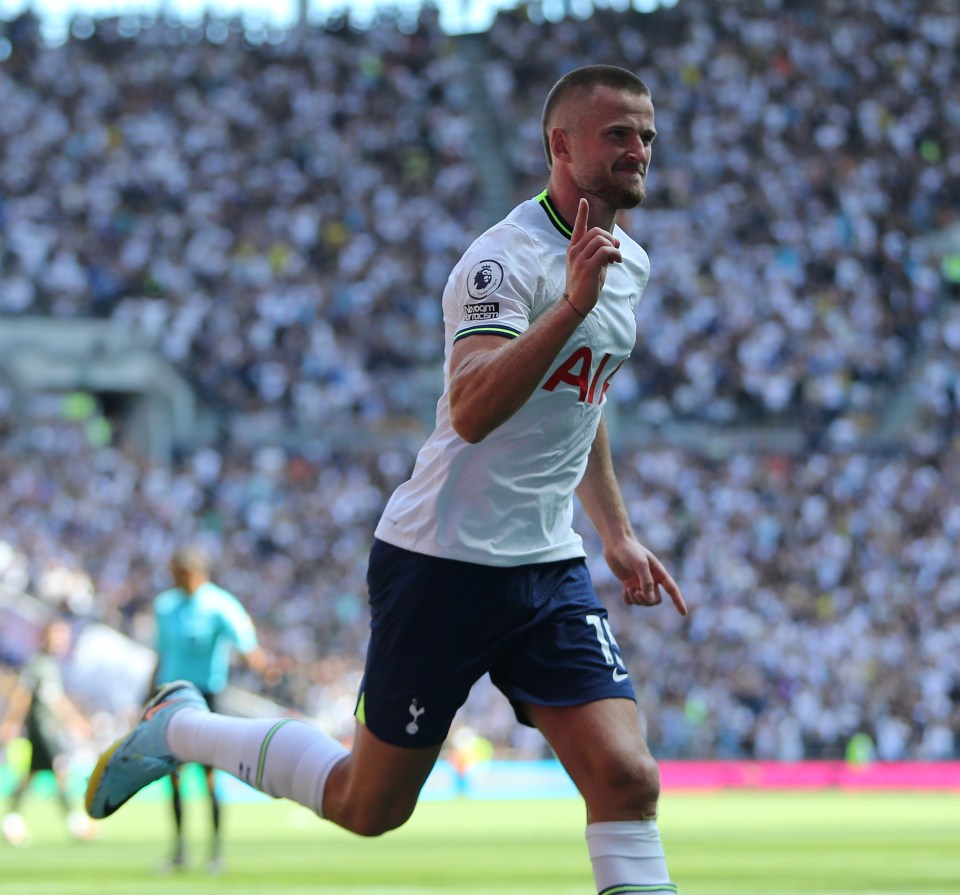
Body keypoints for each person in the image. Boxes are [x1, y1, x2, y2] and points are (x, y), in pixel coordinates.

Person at [86, 64, 687, 894]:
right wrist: (568, 307)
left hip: (547, 568)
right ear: (562, 145)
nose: (639, 150)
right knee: (367, 805)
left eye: (647, 135)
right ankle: (182, 726)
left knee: (628, 778)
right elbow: (474, 406)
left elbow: (582, 398)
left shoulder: (628, 264)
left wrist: (615, 531)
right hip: (442, 561)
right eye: (619, 133)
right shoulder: (501, 261)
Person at [148, 545, 272, 874]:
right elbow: (159, 654)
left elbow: (247, 645)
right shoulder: (165, 606)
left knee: (209, 777)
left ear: (195, 572)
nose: (173, 577)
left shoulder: (219, 605)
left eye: (179, 571)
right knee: (172, 777)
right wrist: (147, 698)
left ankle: (215, 852)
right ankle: (179, 850)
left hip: (204, 697)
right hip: (170, 696)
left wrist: (265, 666)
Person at [1, 618, 96, 846]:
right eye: (58, 636)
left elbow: (57, 699)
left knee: (31, 775)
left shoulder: (50, 665)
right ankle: (76, 823)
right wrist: (12, 722)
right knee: (61, 770)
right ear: (46, 637)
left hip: (49, 728)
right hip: (42, 730)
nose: (62, 641)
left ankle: (12, 819)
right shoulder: (38, 665)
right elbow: (23, 696)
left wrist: (75, 720)